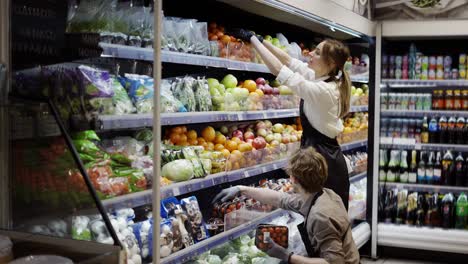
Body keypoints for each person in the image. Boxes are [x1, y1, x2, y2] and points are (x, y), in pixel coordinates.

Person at [231, 30, 352, 209]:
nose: (310, 54)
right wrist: (264, 41)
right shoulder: (321, 77)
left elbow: (280, 70)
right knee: (312, 211)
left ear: (331, 63)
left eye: (317, 53)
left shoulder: (325, 90)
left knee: (322, 217)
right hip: (319, 157)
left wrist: (253, 40)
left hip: (326, 164)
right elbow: (289, 61)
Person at [213, 147, 359, 264]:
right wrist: (241, 189)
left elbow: (335, 262)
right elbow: (279, 198)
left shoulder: (320, 216)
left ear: (294, 179)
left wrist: (287, 256)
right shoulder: (323, 194)